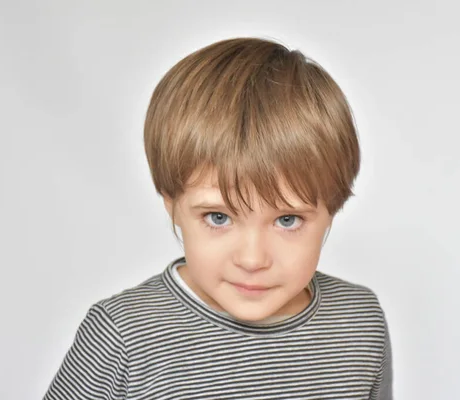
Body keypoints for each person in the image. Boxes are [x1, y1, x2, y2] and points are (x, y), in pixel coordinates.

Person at [44, 37, 393, 400]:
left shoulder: (359, 322)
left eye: (287, 220)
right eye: (218, 217)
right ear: (171, 202)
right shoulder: (124, 335)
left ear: (333, 209)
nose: (252, 259)